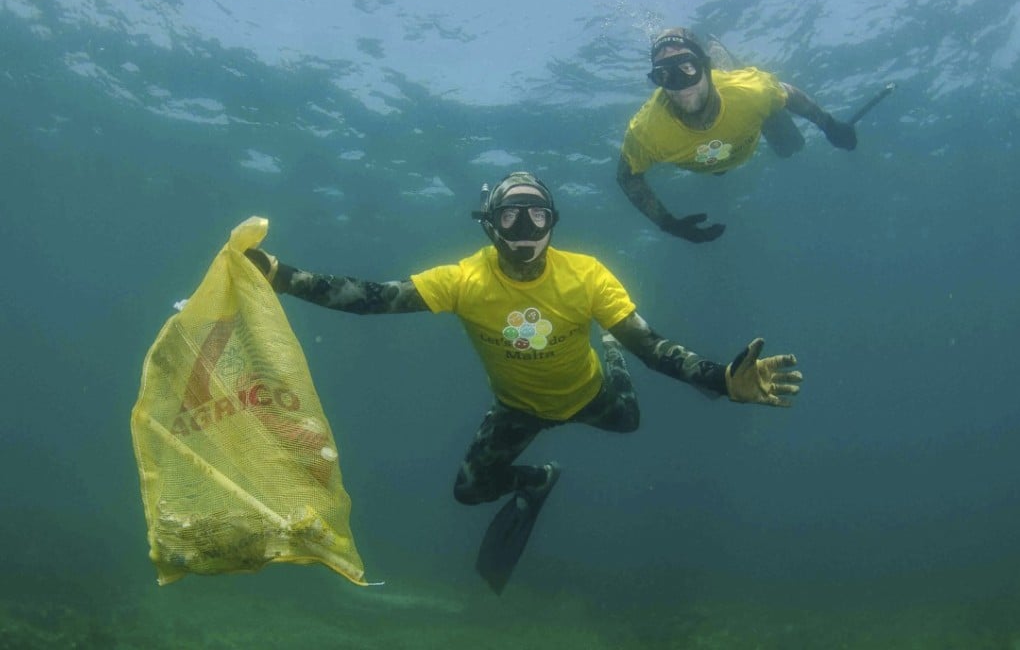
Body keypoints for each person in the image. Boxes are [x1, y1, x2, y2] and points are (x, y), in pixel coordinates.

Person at [245, 171, 803, 593]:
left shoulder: (586, 276)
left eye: (537, 216)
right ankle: (537, 480)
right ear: (489, 224)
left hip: (592, 396)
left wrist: (722, 381)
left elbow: (653, 347)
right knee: (468, 491)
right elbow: (372, 299)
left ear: (553, 222)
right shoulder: (464, 280)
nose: (525, 231)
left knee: (630, 417)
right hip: (517, 408)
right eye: (511, 216)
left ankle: (609, 357)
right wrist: (278, 275)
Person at [618, 27, 858, 243]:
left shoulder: (750, 91)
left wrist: (829, 124)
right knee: (720, 170)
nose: (680, 85)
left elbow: (789, 94)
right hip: (715, 161)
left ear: (704, 66)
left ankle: (719, 53)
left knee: (752, 96)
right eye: (665, 75)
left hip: (737, 114)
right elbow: (627, 176)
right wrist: (668, 223)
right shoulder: (646, 132)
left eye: (687, 68)